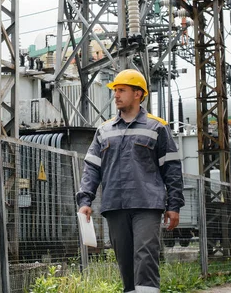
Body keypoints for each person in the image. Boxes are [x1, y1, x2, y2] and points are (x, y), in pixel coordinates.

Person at [76, 68, 184, 293]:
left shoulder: (157, 127)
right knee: (125, 261)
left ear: (138, 94)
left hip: (147, 204)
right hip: (115, 204)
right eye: (115, 90)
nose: (116, 95)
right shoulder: (104, 130)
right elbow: (92, 168)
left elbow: (171, 168)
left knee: (145, 255)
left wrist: (174, 206)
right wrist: (85, 201)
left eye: (122, 90)